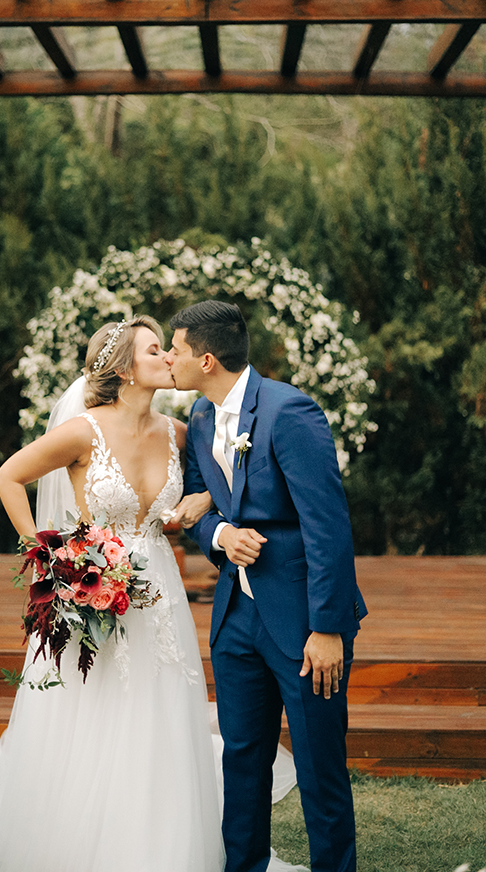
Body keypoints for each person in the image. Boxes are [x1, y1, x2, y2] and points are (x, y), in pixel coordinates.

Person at [0, 315, 303, 872]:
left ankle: (162, 844)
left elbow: (227, 486)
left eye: (168, 349)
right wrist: (49, 556)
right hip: (94, 585)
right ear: (122, 368)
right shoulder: (81, 431)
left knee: (161, 710)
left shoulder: (181, 432)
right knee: (95, 710)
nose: (169, 357)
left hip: (159, 592)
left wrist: (207, 509)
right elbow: (8, 476)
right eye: (155, 350)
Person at [165, 300, 367, 872]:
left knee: (319, 766)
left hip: (303, 619)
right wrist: (221, 534)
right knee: (243, 761)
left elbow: (328, 526)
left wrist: (327, 628)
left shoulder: (290, 411)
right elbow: (200, 507)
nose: (168, 360)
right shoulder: (202, 420)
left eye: (175, 350)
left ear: (207, 359)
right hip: (235, 619)